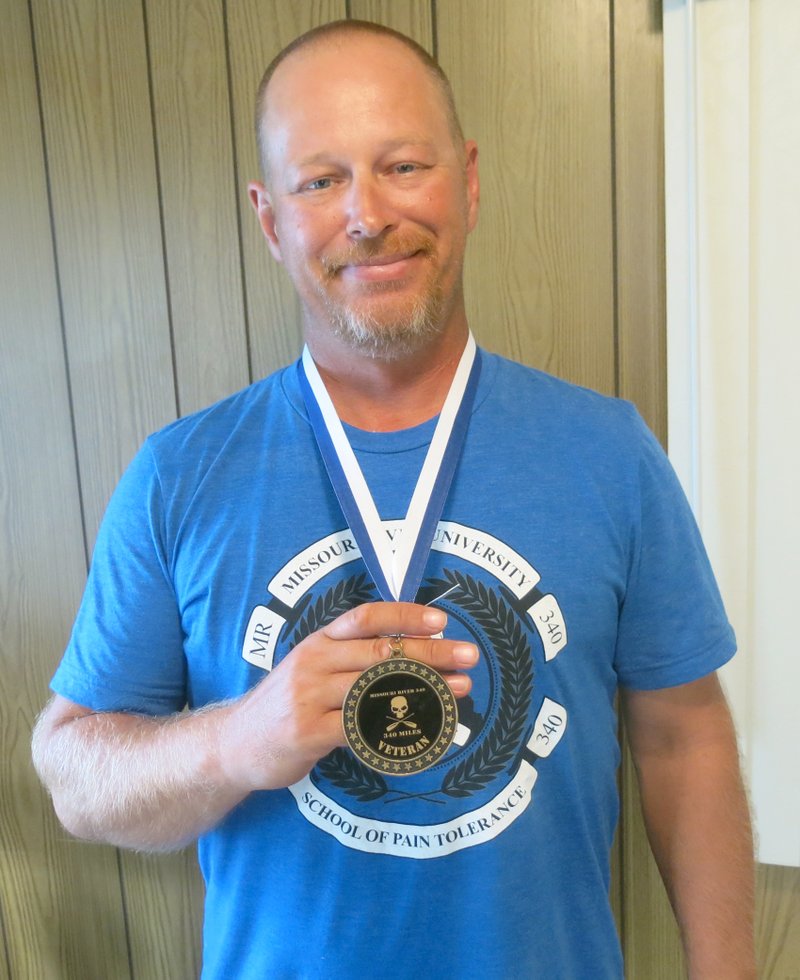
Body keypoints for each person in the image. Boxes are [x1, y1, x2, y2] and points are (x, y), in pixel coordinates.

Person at [32, 19, 756, 980]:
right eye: (320, 180)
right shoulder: (178, 475)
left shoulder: (606, 450)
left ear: (468, 178)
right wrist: (241, 739)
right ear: (269, 217)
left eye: (403, 164)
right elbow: (75, 780)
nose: (366, 215)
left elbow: (683, 735)